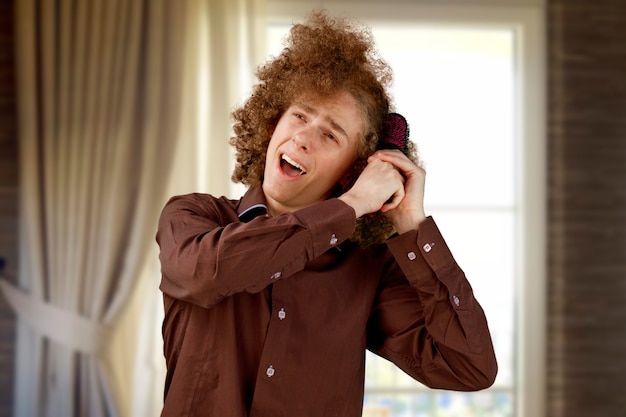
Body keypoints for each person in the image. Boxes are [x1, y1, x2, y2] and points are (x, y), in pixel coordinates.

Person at [156, 11, 497, 417]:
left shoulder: (367, 269)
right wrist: (351, 206)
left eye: (330, 134)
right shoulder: (194, 217)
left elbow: (469, 366)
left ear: (354, 171)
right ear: (271, 123)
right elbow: (205, 272)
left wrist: (411, 225)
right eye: (299, 115)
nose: (303, 136)